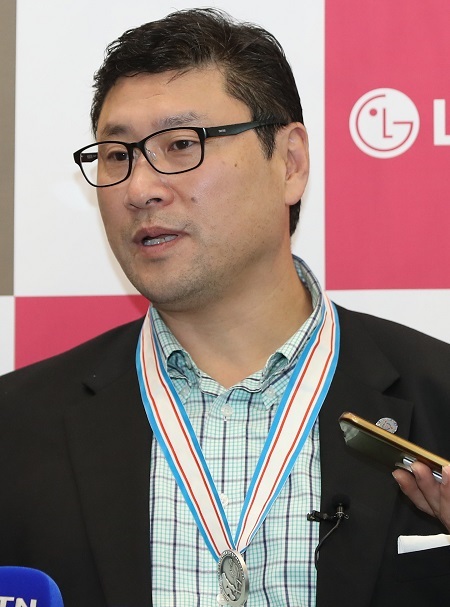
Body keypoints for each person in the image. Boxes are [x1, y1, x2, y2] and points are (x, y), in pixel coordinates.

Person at [1, 8, 450, 607]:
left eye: (181, 144)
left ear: (289, 162)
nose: (140, 188)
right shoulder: (16, 429)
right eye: (116, 155)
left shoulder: (439, 398)